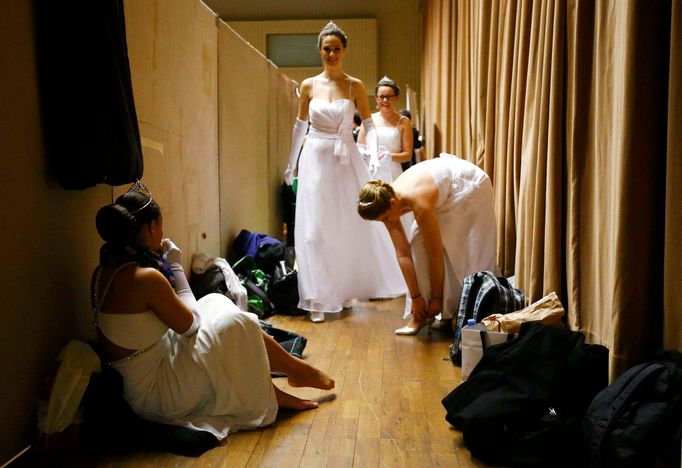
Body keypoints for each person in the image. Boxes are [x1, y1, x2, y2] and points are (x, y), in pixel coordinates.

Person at [92, 183, 335, 441]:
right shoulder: (145, 278)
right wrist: (175, 266)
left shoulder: (105, 270)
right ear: (152, 227)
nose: (163, 231)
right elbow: (192, 324)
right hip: (156, 392)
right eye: (161, 224)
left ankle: (288, 376)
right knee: (230, 324)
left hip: (144, 367)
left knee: (215, 303)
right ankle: (287, 378)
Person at [283, 22, 405, 323]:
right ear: (320, 51)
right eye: (327, 49)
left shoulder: (355, 86)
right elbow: (300, 125)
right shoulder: (309, 85)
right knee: (314, 230)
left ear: (344, 51)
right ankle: (318, 296)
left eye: (337, 48)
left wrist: (375, 156)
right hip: (315, 158)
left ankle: (342, 289)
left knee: (344, 225)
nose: (332, 53)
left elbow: (369, 124)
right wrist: (291, 162)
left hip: (344, 159)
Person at [357, 154, 500, 335]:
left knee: (461, 248)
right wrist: (416, 297)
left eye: (385, 218)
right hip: (442, 189)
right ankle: (421, 314)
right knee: (418, 243)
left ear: (393, 203)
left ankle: (463, 307)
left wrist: (437, 298)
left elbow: (435, 253)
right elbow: (403, 254)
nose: (386, 222)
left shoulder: (418, 201)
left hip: (468, 185)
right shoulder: (385, 201)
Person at [357, 77, 413, 182]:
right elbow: (360, 147)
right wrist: (368, 154)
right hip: (369, 169)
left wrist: (388, 156)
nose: (385, 100)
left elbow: (408, 155)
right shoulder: (368, 120)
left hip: (392, 171)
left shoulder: (404, 121)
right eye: (381, 97)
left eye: (389, 97)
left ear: (396, 98)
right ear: (376, 98)